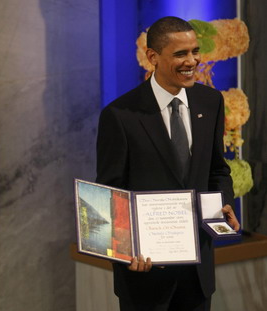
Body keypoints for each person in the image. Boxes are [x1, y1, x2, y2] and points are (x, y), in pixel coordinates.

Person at [96, 17, 240, 311]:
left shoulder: (210, 101)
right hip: (145, 278)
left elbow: (217, 169)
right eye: (180, 54)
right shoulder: (120, 115)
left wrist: (223, 206)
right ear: (153, 57)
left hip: (197, 274)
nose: (192, 61)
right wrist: (126, 249)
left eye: (195, 51)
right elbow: (111, 193)